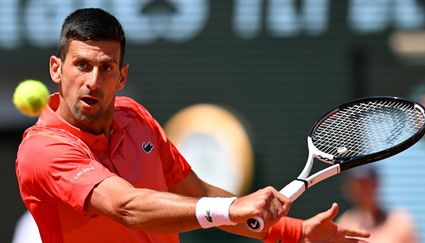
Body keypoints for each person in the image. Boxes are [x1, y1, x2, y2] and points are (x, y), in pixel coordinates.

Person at [15, 8, 369, 243]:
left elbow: (195, 192)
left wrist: (296, 233)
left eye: (106, 67)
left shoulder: (135, 117)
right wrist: (232, 208)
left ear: (122, 77)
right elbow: (128, 207)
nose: (93, 81)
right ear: (56, 69)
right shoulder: (43, 149)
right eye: (81, 65)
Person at [336, 165, 418, 243]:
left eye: (367, 184)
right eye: (358, 185)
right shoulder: (345, 223)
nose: (363, 191)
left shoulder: (399, 222)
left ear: (376, 185)